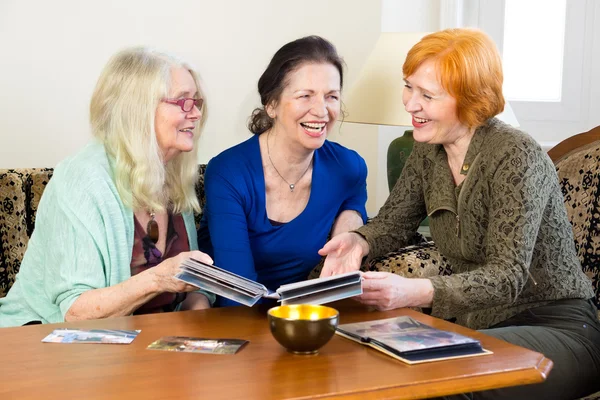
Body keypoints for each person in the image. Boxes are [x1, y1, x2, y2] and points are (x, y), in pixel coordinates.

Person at [318, 28, 600, 398]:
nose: (410, 104)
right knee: (373, 366)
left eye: (427, 95)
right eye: (409, 87)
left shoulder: (516, 155)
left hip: (558, 328)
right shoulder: (427, 151)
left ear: (469, 100)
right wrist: (357, 241)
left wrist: (413, 291)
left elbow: (508, 276)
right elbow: (391, 223)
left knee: (444, 382)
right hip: (480, 326)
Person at [0, 47, 215, 327]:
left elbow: (190, 289)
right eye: (182, 102)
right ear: (137, 110)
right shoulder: (82, 179)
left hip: (146, 347)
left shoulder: (170, 174)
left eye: (197, 102)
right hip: (50, 346)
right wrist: (159, 279)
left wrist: (198, 307)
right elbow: (76, 312)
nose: (196, 113)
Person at [197, 36, 367, 306]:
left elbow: (354, 203)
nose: (321, 111)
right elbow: (237, 296)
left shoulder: (349, 167)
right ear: (272, 104)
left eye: (331, 96)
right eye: (305, 96)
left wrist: (352, 228)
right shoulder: (228, 173)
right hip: (232, 320)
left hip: (305, 318)